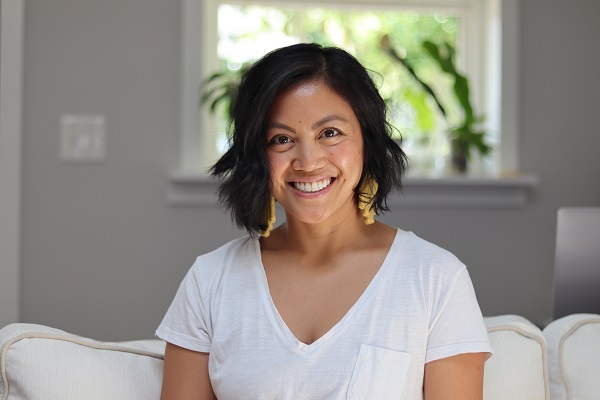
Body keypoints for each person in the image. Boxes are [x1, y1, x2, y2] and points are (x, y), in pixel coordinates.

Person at [156, 43, 492, 400]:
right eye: (281, 139)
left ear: (367, 138)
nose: (308, 161)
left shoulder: (436, 279)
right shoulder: (210, 281)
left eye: (329, 133)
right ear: (257, 155)